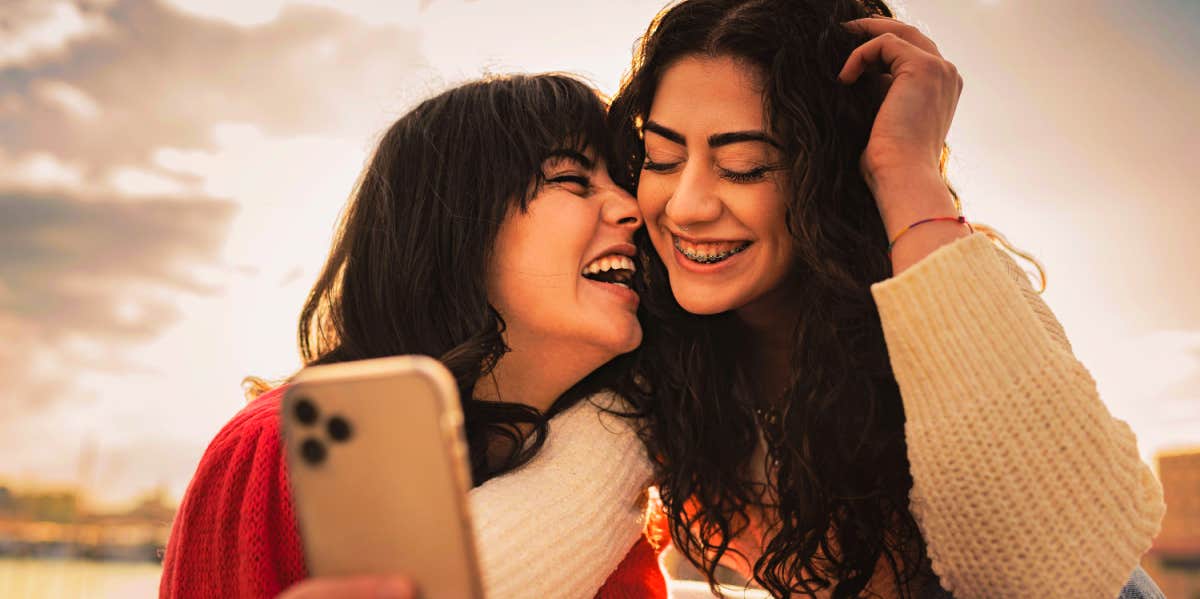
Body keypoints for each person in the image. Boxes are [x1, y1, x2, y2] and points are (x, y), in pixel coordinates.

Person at [606, 0, 1166, 597]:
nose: (686, 205)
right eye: (663, 157)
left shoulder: (953, 282)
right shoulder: (653, 340)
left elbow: (1054, 574)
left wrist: (902, 167)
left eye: (745, 166)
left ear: (834, 174)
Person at [159, 73, 668, 599]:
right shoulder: (281, 449)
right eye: (572, 180)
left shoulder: (608, 504)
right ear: (456, 226)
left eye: (624, 183)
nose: (632, 210)